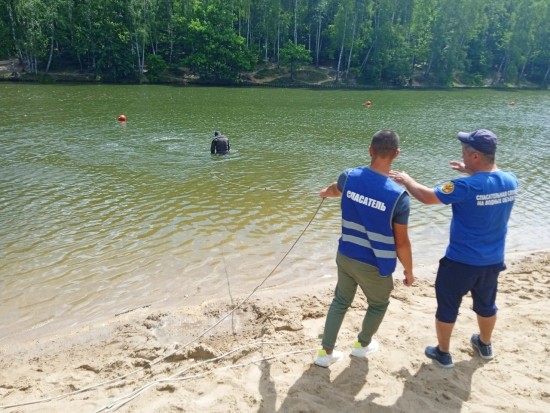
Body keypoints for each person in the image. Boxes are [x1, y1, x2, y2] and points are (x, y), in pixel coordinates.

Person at [390, 129, 518, 368]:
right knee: (487, 305)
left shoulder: (465, 186)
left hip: (460, 261)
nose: (463, 156)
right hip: (492, 261)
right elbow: (487, 184)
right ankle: (485, 344)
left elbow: (427, 197)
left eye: (466, 154)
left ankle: (443, 352)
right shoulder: (511, 180)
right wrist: (469, 170)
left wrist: (407, 180)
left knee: (448, 306)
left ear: (476, 157)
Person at [314, 129, 415, 368]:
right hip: (375, 264)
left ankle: (325, 353)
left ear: (370, 150)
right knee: (378, 304)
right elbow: (401, 242)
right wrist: (409, 271)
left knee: (340, 301)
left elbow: (334, 188)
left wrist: (324, 194)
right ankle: (362, 345)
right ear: (396, 154)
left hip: (346, 254)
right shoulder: (399, 197)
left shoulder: (349, 177)